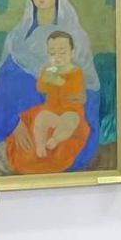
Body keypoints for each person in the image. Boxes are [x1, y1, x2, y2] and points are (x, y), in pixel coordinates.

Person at [0, 0, 102, 175]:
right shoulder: (17, 37)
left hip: (67, 112)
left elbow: (90, 82)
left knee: (63, 149)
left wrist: (83, 96)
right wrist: (14, 121)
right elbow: (4, 82)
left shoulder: (76, 35)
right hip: (25, 116)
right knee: (24, 157)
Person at [27, 31, 89, 164]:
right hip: (51, 109)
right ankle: (40, 144)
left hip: (71, 110)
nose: (57, 57)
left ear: (72, 52)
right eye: (52, 53)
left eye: (62, 52)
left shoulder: (76, 71)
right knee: (41, 118)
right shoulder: (47, 70)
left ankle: (55, 139)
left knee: (69, 121)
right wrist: (45, 80)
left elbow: (74, 90)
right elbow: (40, 87)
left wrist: (59, 81)